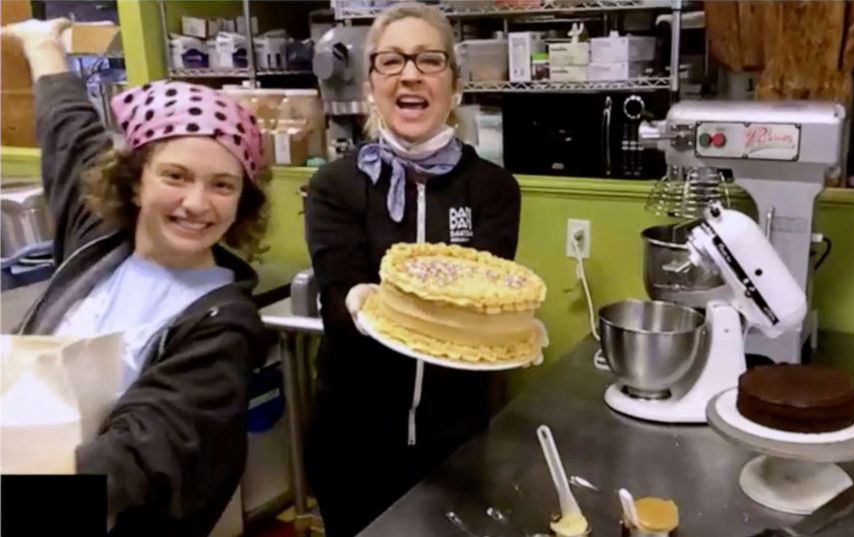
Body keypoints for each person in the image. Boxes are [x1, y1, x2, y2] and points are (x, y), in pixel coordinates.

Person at [2, 18, 270, 537]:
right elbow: (70, 137)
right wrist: (42, 47)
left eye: (222, 185)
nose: (196, 204)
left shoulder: (224, 324)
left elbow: (142, 452)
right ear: (135, 182)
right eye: (175, 175)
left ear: (241, 203)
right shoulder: (100, 243)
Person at [303, 3, 522, 535]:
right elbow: (338, 302)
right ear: (372, 82)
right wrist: (357, 301)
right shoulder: (336, 186)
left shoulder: (492, 188)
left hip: (457, 437)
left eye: (429, 60)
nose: (410, 73)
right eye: (391, 61)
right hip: (354, 439)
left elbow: (482, 305)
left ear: (454, 84)